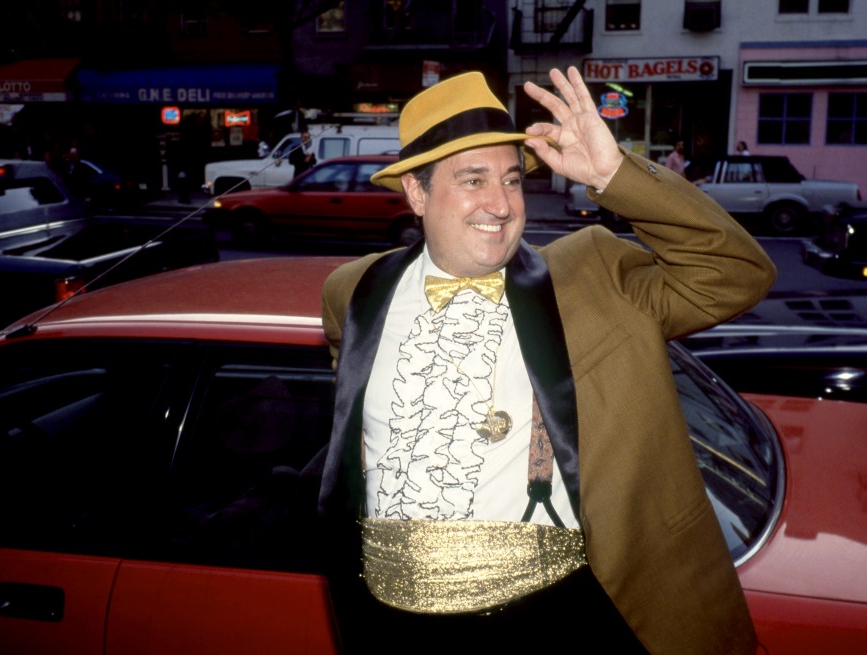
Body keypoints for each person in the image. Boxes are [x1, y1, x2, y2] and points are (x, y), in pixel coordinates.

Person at [318, 66, 775, 654]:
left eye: (512, 180)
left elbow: (737, 275)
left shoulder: (589, 272)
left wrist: (614, 175)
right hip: (392, 621)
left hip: (553, 615)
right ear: (417, 191)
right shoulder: (351, 292)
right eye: (473, 180)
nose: (501, 205)